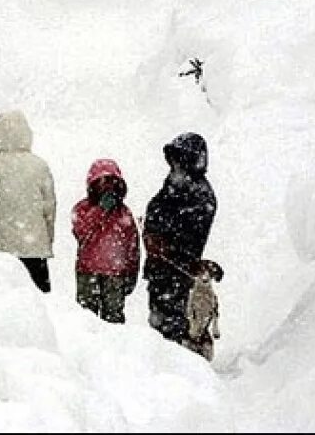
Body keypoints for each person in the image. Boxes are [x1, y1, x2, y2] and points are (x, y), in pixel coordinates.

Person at [0, 110, 57, 292]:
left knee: (1, 303)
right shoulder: (40, 167)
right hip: (34, 251)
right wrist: (46, 240)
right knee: (40, 306)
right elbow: (49, 210)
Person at [141, 131, 217, 345]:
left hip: (178, 271)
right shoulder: (175, 184)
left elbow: (189, 233)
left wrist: (162, 239)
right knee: (159, 323)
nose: (174, 164)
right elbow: (156, 208)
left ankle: (181, 366)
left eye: (179, 158)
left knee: (177, 326)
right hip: (162, 269)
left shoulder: (200, 194)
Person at [71, 158, 141, 324]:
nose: (107, 188)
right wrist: (100, 210)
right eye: (102, 182)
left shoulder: (123, 213)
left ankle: (114, 349)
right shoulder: (82, 209)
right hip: (88, 272)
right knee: (86, 320)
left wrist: (132, 273)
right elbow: (81, 232)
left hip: (115, 275)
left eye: (112, 182)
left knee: (113, 320)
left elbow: (132, 245)